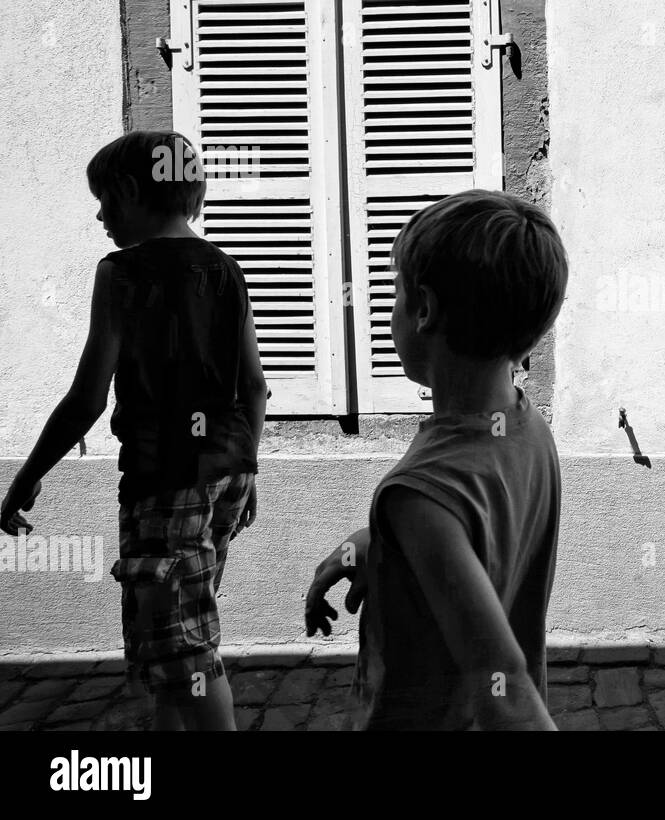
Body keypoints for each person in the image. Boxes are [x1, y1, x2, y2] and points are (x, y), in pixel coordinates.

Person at [0, 130, 265, 730]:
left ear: (127, 192)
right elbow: (252, 386)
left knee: (184, 648)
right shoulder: (226, 270)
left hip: (164, 480)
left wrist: (29, 474)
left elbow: (88, 395)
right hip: (227, 473)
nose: (99, 216)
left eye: (103, 201)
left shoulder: (122, 272)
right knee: (171, 637)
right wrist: (249, 468)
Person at [304, 189, 567, 730]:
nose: (389, 308)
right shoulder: (527, 428)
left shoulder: (420, 491)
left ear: (424, 309)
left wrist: (402, 527)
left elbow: (504, 681)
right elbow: (470, 532)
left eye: (395, 292)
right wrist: (372, 545)